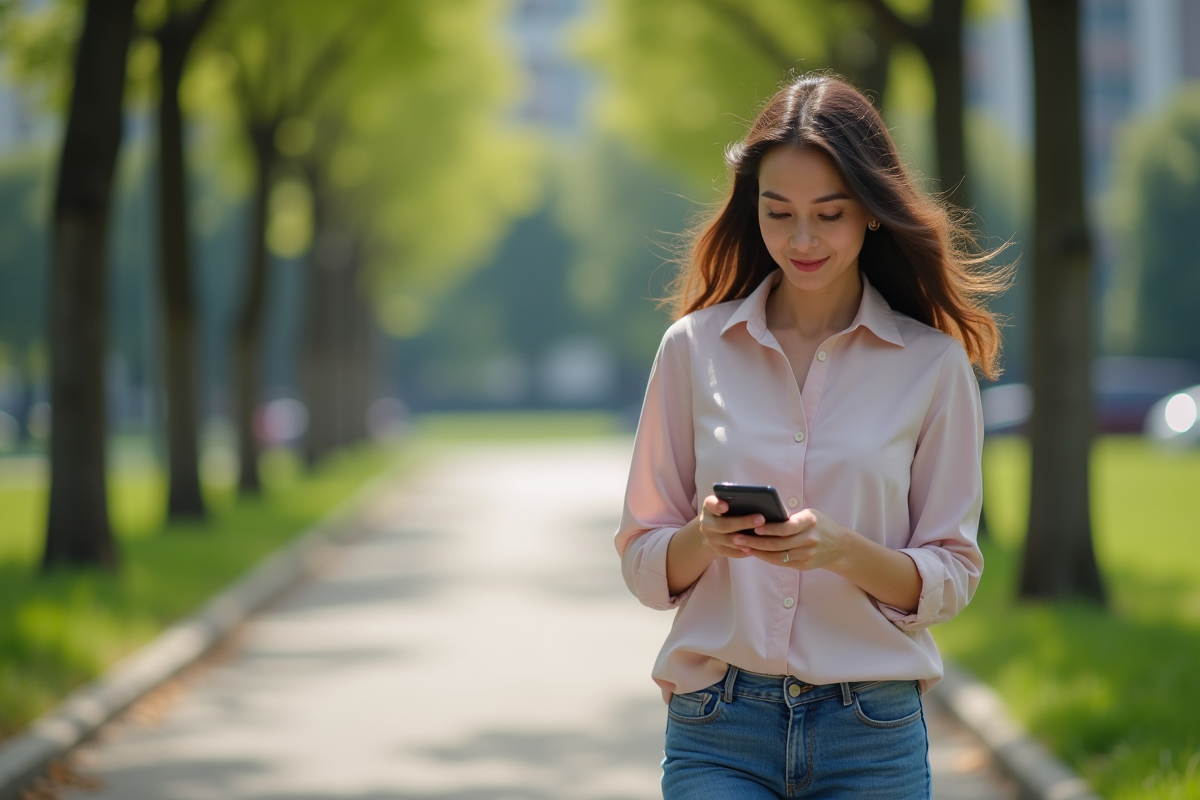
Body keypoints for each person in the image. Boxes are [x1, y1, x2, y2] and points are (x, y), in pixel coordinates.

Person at [615, 72, 1010, 799]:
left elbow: (953, 572)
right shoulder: (691, 349)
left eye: (829, 214)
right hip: (719, 728)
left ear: (872, 212)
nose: (801, 239)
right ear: (753, 211)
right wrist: (706, 537)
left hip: (872, 733)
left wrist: (844, 552)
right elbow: (642, 559)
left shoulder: (932, 365)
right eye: (779, 212)